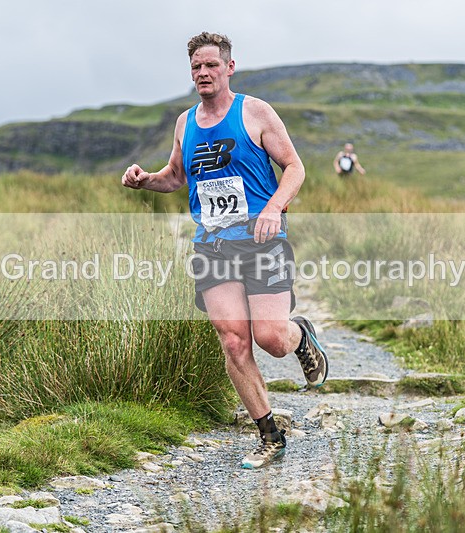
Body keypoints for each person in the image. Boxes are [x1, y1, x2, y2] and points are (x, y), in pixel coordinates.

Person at [121, 32, 328, 469]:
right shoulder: (185, 123)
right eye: (196, 66)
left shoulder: (253, 111)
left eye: (212, 65)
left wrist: (274, 207)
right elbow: (175, 177)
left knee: (270, 338)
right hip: (212, 245)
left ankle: (300, 335)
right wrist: (145, 180)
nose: (203, 73)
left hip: (261, 238)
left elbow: (295, 167)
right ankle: (270, 433)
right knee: (234, 340)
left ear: (229, 68)